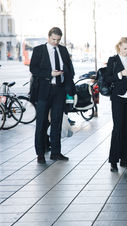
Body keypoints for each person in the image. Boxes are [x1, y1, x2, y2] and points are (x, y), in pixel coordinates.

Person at [30, 27, 75, 164]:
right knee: (42, 123)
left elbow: (69, 66)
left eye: (58, 40)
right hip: (44, 90)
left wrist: (68, 78)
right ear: (48, 37)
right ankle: (40, 154)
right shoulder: (39, 50)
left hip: (59, 90)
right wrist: (50, 73)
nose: (55, 42)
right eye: (53, 39)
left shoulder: (62, 50)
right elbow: (33, 69)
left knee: (57, 122)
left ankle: (56, 152)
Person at [105, 37, 127, 172]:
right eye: (125, 48)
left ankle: (124, 158)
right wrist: (121, 73)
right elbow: (108, 78)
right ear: (119, 47)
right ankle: (113, 160)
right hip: (118, 97)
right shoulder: (113, 60)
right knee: (118, 127)